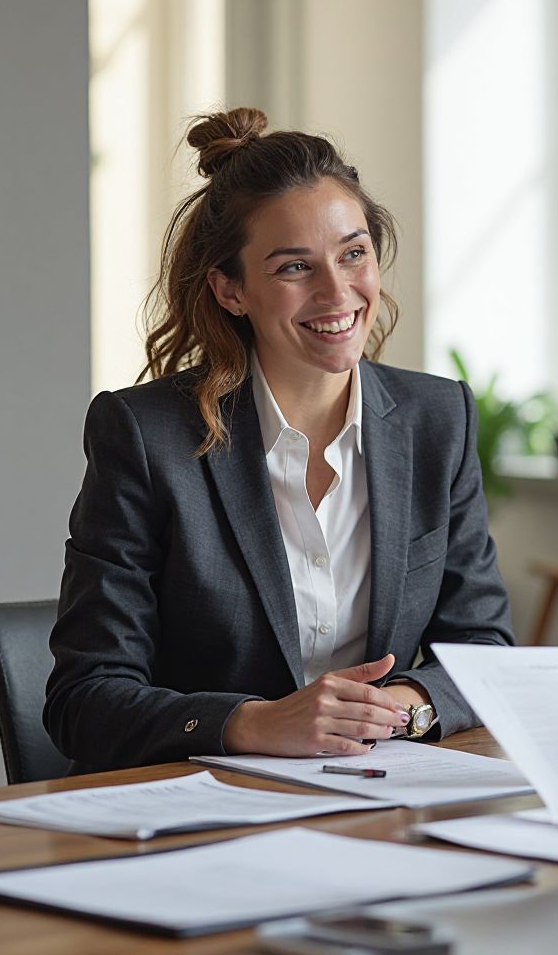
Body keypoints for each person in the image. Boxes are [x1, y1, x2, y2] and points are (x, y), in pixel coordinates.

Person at [45, 107, 513, 774]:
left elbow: (483, 645)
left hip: (375, 790)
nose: (337, 292)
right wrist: (254, 723)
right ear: (230, 290)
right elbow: (85, 699)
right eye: (295, 267)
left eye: (353, 253)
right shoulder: (146, 435)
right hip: (201, 801)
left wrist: (398, 707)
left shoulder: (438, 420)